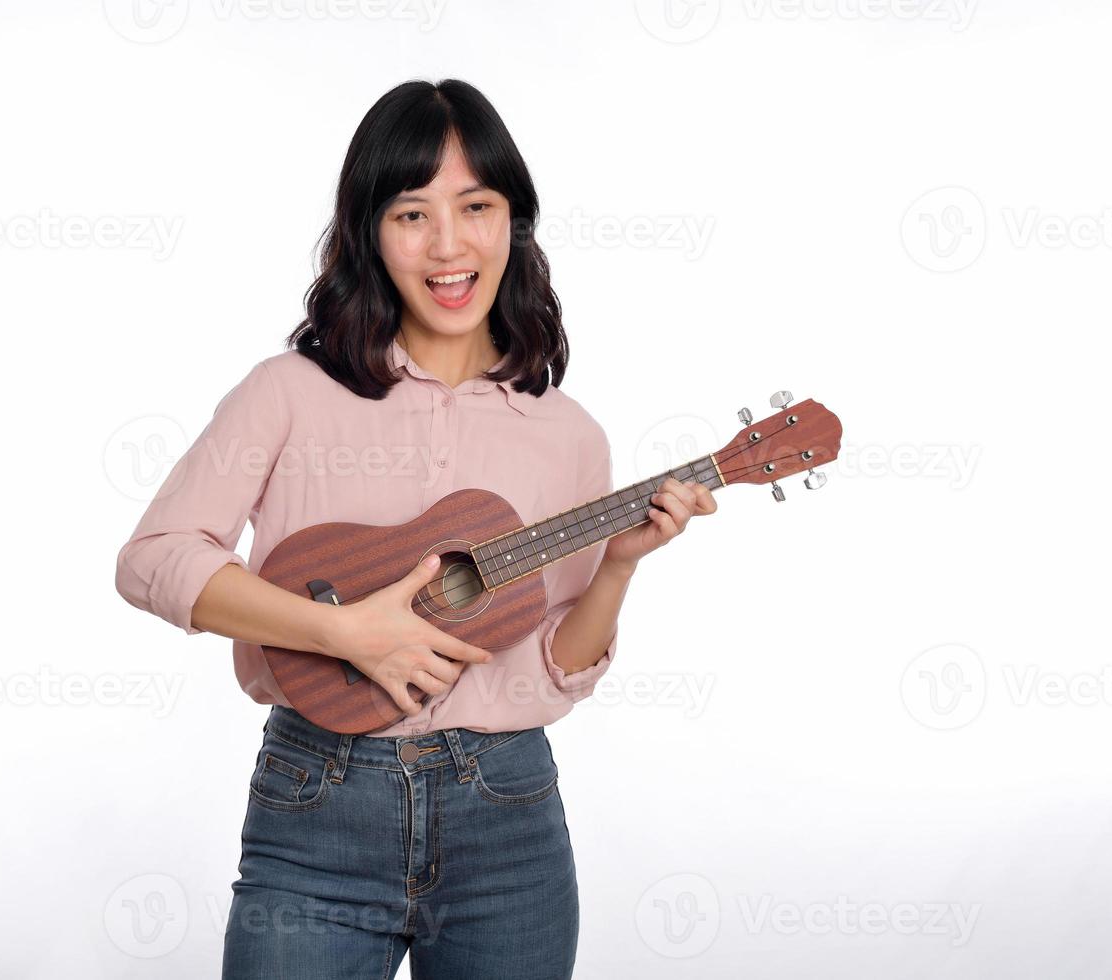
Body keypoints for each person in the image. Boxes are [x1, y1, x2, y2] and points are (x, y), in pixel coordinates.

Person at [114, 77, 716, 979]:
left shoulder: (568, 435)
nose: (449, 245)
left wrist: (619, 569)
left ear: (513, 221)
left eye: (476, 206)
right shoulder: (290, 392)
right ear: (369, 232)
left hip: (507, 818)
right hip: (317, 802)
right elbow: (154, 559)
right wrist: (343, 631)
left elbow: (554, 661)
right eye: (411, 214)